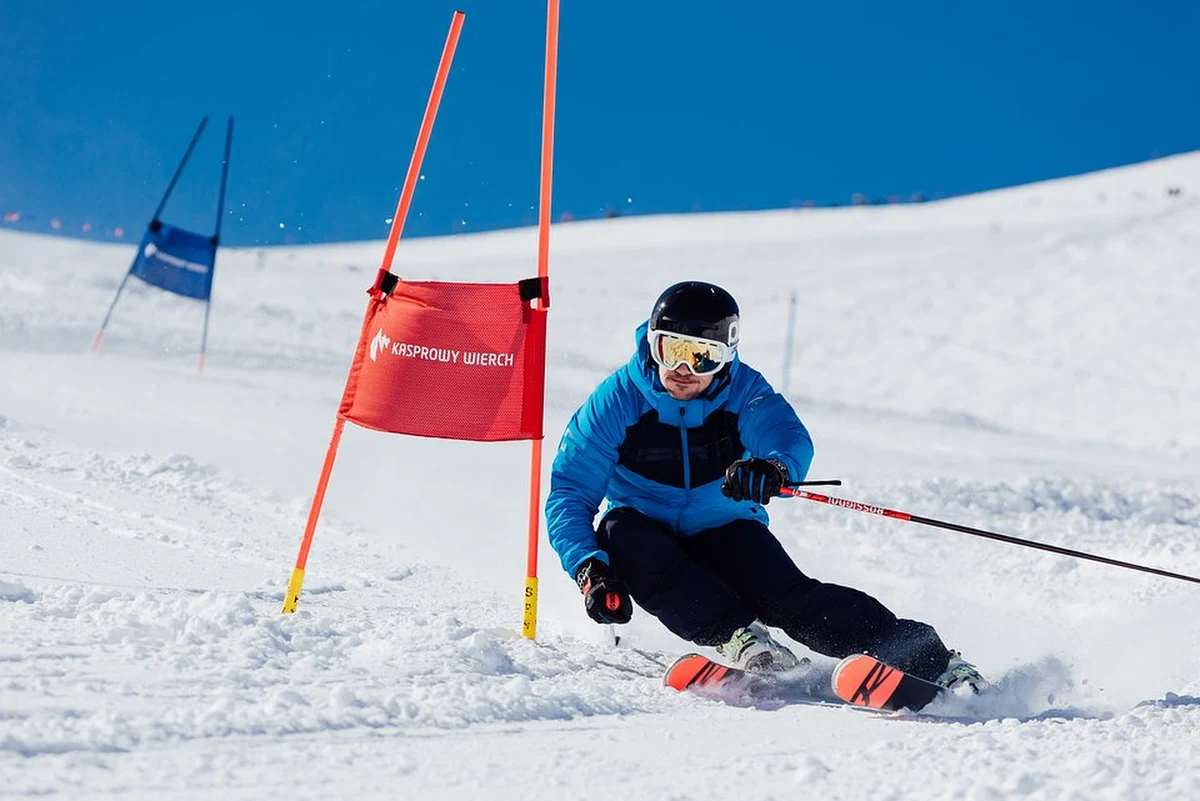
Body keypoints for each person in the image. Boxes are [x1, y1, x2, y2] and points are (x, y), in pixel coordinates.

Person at [545, 280, 984, 690]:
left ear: (726, 357)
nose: (682, 368)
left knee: (789, 600)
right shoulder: (617, 400)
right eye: (671, 349)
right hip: (644, 527)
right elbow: (570, 491)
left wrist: (773, 468)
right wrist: (589, 569)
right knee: (620, 533)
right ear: (652, 344)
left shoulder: (744, 390)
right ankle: (741, 638)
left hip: (725, 525)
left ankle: (932, 662)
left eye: (702, 357)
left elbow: (786, 436)